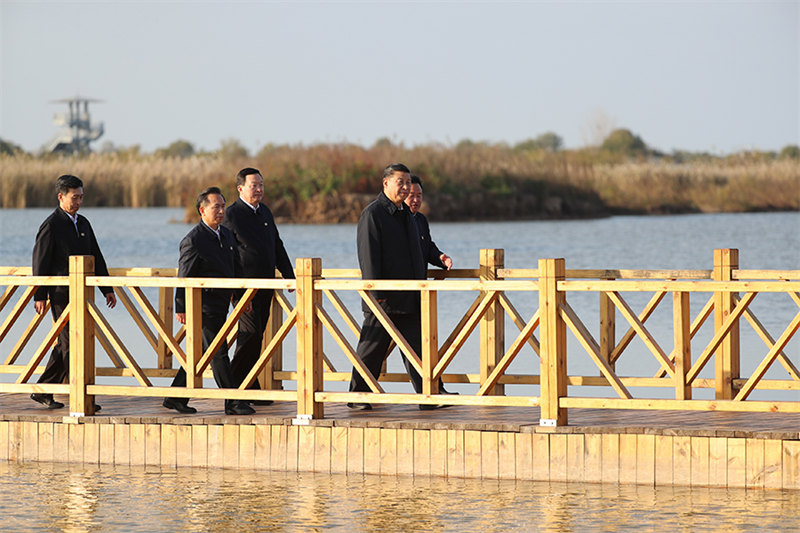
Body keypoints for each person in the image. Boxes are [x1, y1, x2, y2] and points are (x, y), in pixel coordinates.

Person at [348, 163, 448, 410]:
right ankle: (357, 396)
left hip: (410, 296)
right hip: (383, 298)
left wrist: (439, 259)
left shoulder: (408, 215)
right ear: (386, 183)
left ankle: (428, 397)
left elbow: (422, 248)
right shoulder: (373, 214)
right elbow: (368, 257)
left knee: (417, 348)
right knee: (371, 347)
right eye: (399, 182)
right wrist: (376, 296)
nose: (404, 187)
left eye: (407, 183)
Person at [162, 187, 255, 416]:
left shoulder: (226, 235)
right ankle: (232, 401)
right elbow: (183, 275)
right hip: (201, 306)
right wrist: (181, 306)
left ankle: (175, 397)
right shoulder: (193, 240)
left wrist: (242, 297)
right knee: (218, 352)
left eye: (223, 206)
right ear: (202, 210)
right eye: (217, 207)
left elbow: (236, 268)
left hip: (222, 303)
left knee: (201, 353)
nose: (222, 211)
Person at [31, 174, 117, 410]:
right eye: (74, 197)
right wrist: (39, 294)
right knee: (71, 343)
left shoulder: (84, 223)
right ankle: (83, 396)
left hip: (84, 296)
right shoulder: (51, 225)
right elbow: (41, 261)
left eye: (81, 197)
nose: (78, 201)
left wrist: (107, 289)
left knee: (65, 343)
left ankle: (44, 390)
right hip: (61, 294)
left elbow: (96, 256)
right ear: (61, 197)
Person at [221, 167, 294, 406]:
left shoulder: (264, 212)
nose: (259, 190)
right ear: (240, 188)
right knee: (249, 335)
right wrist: (236, 291)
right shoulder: (232, 214)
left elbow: (277, 244)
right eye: (254, 185)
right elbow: (228, 255)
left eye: (261, 185)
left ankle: (249, 385)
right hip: (244, 288)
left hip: (267, 284)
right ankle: (234, 390)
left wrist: (289, 274)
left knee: (257, 336)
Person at [405, 174, 453, 270]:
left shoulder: (421, 219)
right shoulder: (394, 219)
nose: (416, 200)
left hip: (420, 282)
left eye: (419, 196)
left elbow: (427, 247)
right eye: (411, 196)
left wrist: (441, 258)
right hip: (399, 282)